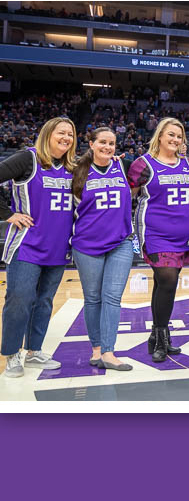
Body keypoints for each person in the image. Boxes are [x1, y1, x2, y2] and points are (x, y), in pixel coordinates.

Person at [1, 117, 77, 378]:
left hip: (58, 248)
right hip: (27, 245)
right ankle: (12, 354)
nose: (66, 137)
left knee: (44, 302)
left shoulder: (72, 167)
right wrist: (7, 214)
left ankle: (34, 351)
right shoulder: (27, 159)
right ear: (47, 134)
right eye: (61, 132)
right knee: (19, 300)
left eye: (70, 134)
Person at [128, 118, 189, 362]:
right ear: (159, 136)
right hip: (155, 233)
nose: (175, 140)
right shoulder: (142, 165)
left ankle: (157, 336)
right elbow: (127, 196)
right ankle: (160, 337)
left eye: (179, 136)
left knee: (164, 282)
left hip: (183, 235)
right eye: (171, 135)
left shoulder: (188, 163)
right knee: (167, 279)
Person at [71, 127, 134, 371]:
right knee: (93, 298)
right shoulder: (77, 171)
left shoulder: (122, 166)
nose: (108, 147)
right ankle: (96, 348)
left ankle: (108, 351)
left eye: (112, 143)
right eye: (103, 142)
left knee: (112, 298)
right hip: (87, 244)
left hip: (121, 242)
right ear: (91, 144)